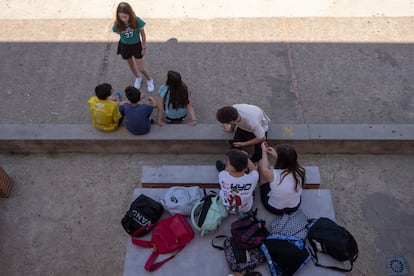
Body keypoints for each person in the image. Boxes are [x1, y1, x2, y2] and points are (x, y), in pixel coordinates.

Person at [113, 2, 154, 92]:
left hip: (136, 46)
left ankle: (149, 79)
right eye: (121, 17)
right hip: (125, 46)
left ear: (130, 14)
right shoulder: (118, 24)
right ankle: (138, 77)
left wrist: (144, 47)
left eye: (125, 16)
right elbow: (116, 31)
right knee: (131, 65)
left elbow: (143, 34)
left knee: (141, 68)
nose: (123, 19)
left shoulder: (136, 21)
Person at [258, 142, 305, 215]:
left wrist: (264, 151)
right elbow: (290, 162)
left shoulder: (273, 174)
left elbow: (263, 167)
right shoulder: (301, 171)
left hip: (275, 208)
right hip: (294, 206)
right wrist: (277, 155)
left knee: (261, 165)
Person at [216, 149, 259, 215]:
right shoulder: (253, 178)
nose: (227, 162)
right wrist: (245, 157)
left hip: (228, 208)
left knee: (225, 187)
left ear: (232, 167)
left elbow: (225, 172)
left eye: (228, 162)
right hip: (246, 208)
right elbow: (253, 169)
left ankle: (221, 167)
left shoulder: (222, 175)